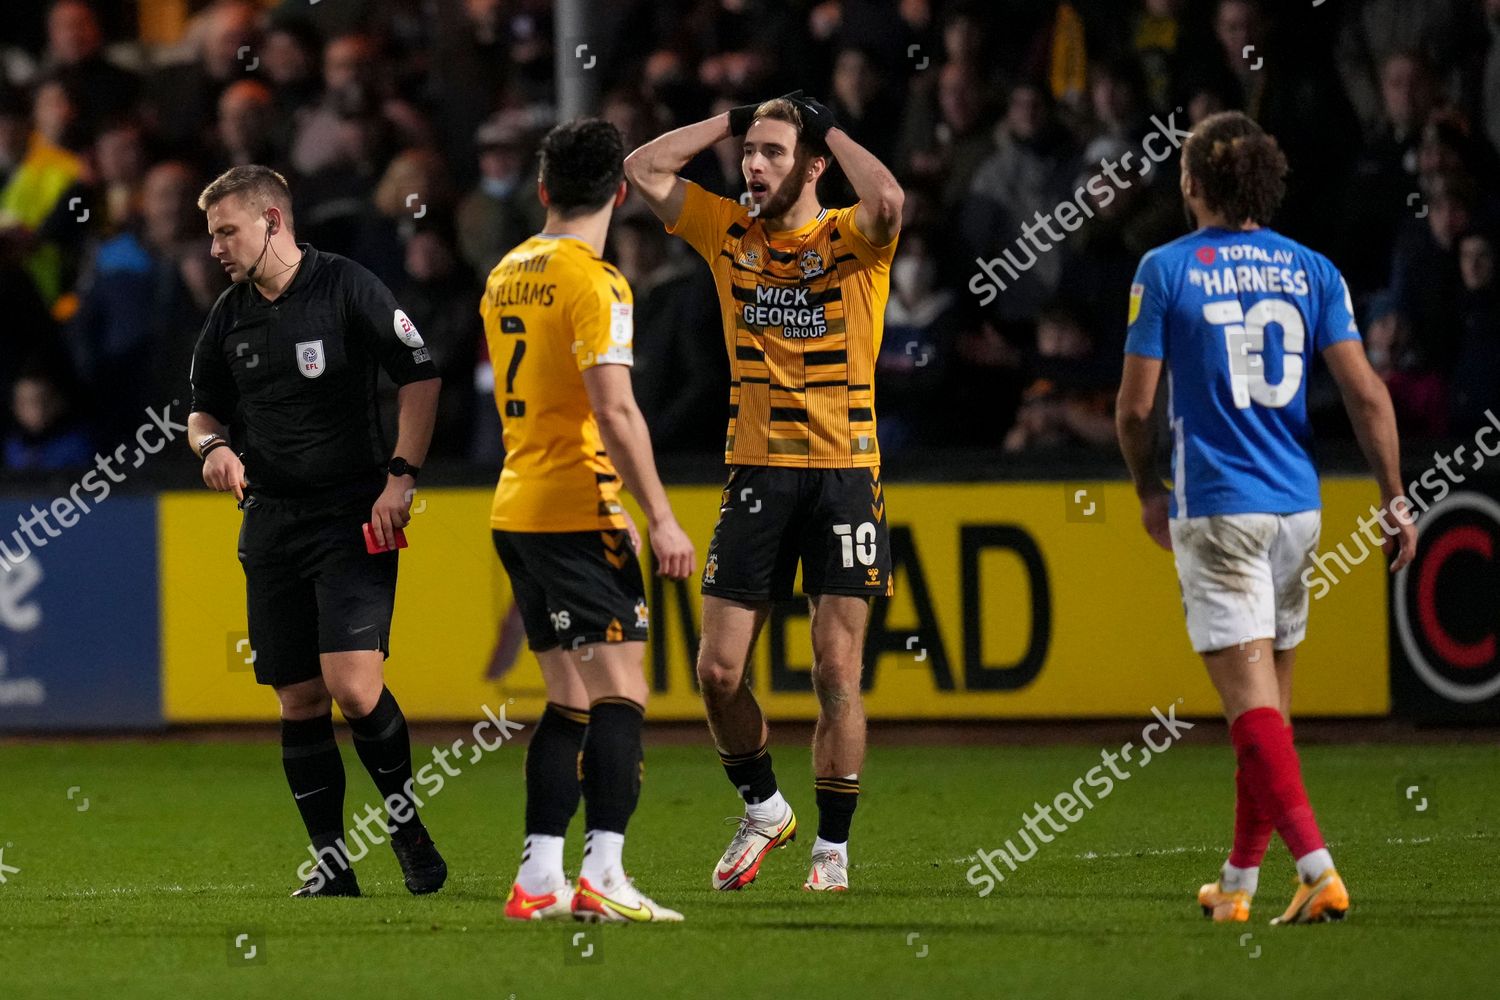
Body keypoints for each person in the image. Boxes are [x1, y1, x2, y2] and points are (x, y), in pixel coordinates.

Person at [1116, 111, 1417, 926]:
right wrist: (1393, 494)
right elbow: (1365, 392)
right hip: (1298, 510)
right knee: (1267, 713)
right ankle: (1240, 884)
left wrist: (1149, 487)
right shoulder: (1314, 269)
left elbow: (1137, 408)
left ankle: (1318, 870)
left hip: (1218, 511)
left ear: (1193, 185)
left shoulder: (1165, 268)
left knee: (1250, 712)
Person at [625, 92, 902, 893]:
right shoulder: (725, 232)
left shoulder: (849, 237)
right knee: (717, 672)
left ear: (814, 165)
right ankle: (764, 809)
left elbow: (888, 199)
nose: (753, 163)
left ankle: (832, 852)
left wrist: (829, 126)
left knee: (834, 671)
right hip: (755, 473)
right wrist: (732, 115)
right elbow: (644, 166)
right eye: (750, 151)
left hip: (847, 475)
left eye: (773, 152)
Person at [186, 164, 447, 899]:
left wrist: (402, 476)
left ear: (272, 220)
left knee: (355, 689)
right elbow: (202, 411)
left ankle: (405, 825)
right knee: (299, 699)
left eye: (225, 231)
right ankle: (333, 865)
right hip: (270, 522)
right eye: (211, 236)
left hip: (352, 513)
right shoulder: (228, 315)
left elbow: (420, 374)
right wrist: (215, 447)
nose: (215, 249)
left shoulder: (347, 285)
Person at [483, 119, 695, 923]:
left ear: (541, 190)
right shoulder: (597, 282)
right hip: (577, 506)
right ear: (619, 192)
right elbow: (614, 408)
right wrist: (663, 516)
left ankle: (538, 876)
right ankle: (603, 872)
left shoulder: (507, 271)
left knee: (568, 696)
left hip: (518, 506)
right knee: (621, 695)